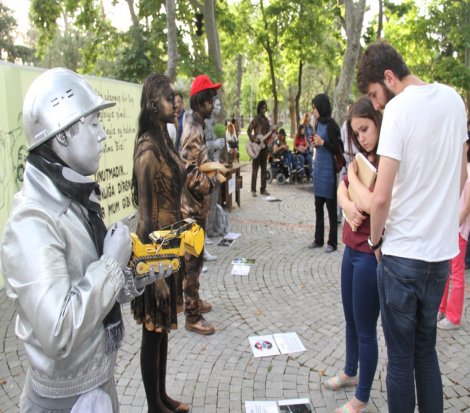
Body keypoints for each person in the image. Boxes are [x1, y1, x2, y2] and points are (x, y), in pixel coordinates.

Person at [1, 67, 157, 412]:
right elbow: (58, 331)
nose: (103, 135)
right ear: (63, 136)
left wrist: (139, 274)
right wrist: (111, 264)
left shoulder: (74, 196)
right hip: (63, 400)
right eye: (93, 124)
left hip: (97, 384)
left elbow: (86, 286)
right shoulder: (32, 220)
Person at [358, 41, 468, 413]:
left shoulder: (400, 109)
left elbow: (381, 197)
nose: (375, 104)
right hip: (438, 259)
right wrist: (445, 224)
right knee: (427, 352)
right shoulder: (454, 101)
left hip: (402, 256)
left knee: (401, 360)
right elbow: (461, 176)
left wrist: (374, 241)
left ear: (389, 78)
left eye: (375, 93)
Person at [130, 73, 190, 413]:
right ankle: (154, 407)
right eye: (170, 98)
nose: (176, 102)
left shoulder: (166, 139)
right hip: (154, 253)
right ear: (154, 105)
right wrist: (154, 275)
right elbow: (144, 221)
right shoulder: (148, 152)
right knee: (152, 332)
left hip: (171, 247)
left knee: (163, 329)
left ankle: (162, 397)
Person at [325, 96, 382, 413]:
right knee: (350, 319)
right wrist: (346, 203)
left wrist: (351, 188)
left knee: (365, 328)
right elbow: (343, 189)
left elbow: (371, 202)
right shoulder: (360, 158)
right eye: (357, 132)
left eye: (365, 129)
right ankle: (350, 371)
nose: (361, 137)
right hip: (350, 248)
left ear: (378, 123)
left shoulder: (387, 160)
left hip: (369, 255)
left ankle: (361, 396)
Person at [180, 74, 221, 335]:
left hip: (198, 208)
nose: (214, 103)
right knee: (192, 264)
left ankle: (194, 301)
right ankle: (192, 316)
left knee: (196, 263)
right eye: (211, 99)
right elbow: (189, 174)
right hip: (191, 211)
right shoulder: (193, 131)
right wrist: (213, 182)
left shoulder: (198, 126)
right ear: (201, 102)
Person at [438, 138, 470, 330]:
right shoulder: (453, 168)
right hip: (448, 228)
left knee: (456, 273)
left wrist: (452, 225)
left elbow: (466, 207)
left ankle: (454, 316)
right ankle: (441, 308)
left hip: (458, 230)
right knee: (444, 271)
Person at [308, 93, 342, 253]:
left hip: (328, 170)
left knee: (330, 208)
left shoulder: (332, 126)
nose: (313, 111)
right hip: (318, 168)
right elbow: (319, 144)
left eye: (315, 107)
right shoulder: (317, 124)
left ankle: (332, 242)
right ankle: (318, 239)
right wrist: (315, 143)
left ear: (322, 107)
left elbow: (338, 147)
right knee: (318, 207)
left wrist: (323, 143)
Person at [247, 100, 273, 197]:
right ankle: (253, 190)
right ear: (259, 108)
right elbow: (249, 131)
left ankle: (263, 189)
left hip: (264, 148)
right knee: (255, 169)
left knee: (264, 169)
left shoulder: (266, 120)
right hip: (256, 148)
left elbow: (269, 134)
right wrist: (254, 139)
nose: (264, 109)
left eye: (265, 108)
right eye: (262, 107)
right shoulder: (255, 119)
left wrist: (272, 133)